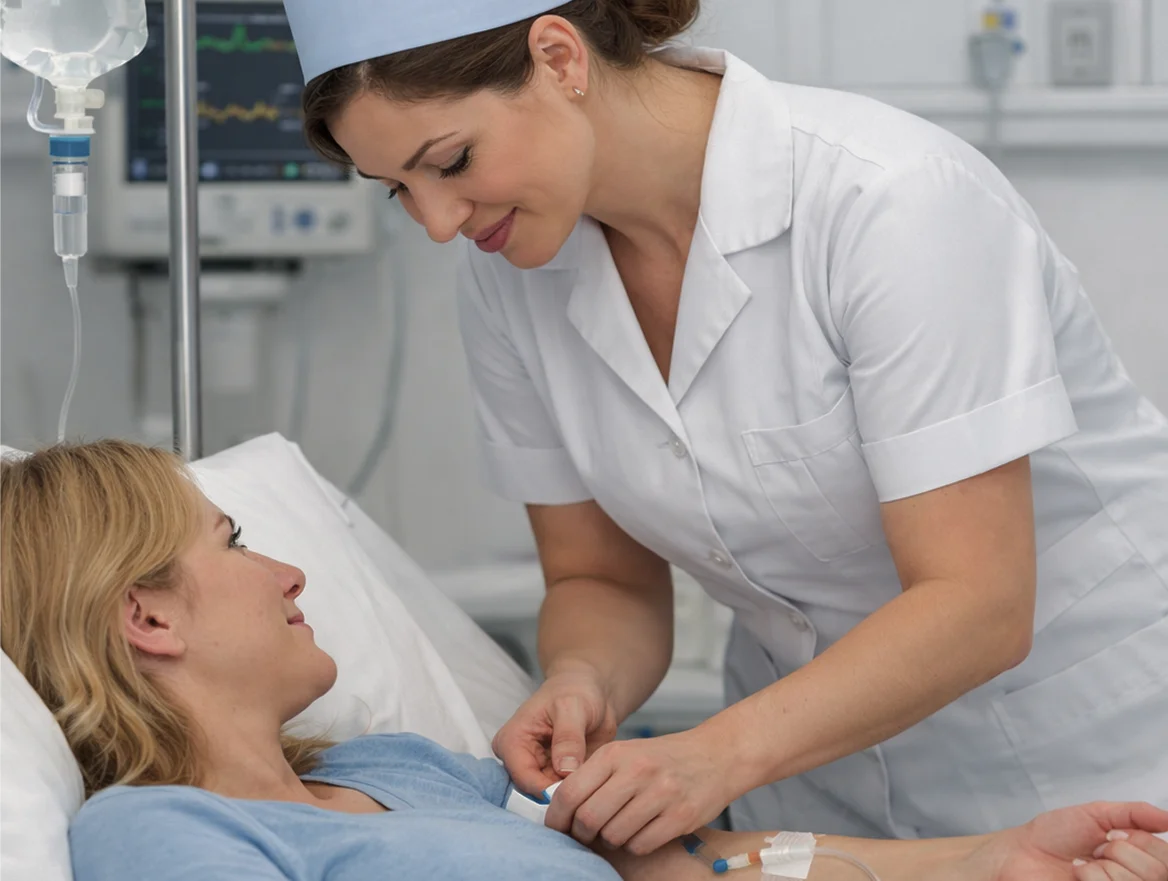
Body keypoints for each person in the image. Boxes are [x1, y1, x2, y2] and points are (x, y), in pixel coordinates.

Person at [283, 0, 1168, 850]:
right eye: (397, 191)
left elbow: (978, 603)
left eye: (451, 161)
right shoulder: (508, 275)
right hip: (817, 788)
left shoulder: (891, 201)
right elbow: (601, 577)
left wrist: (716, 753)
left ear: (559, 58)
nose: (439, 223)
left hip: (1092, 754)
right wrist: (584, 678)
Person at [2, 440, 1168, 881]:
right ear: (147, 617)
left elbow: (698, 865)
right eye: (234, 543)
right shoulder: (154, 831)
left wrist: (992, 858)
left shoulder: (403, 767)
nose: (289, 572)